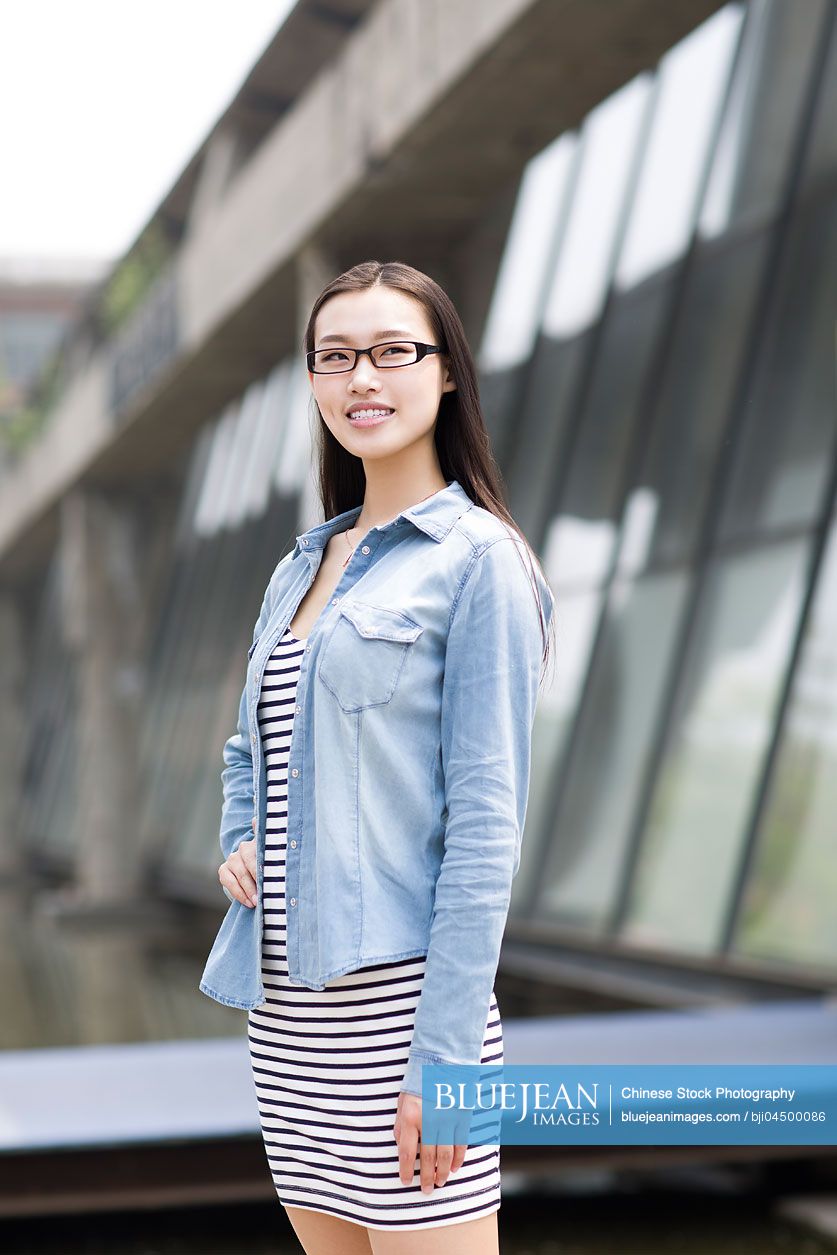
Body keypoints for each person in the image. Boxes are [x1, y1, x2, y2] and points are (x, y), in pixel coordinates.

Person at [199, 259, 555, 1254]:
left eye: (393, 351)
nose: (363, 379)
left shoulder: (481, 560)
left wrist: (442, 1063)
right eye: (336, 357)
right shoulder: (301, 564)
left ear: (445, 374)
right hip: (288, 1018)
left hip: (405, 1019)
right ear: (312, 383)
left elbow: (487, 833)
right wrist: (240, 845)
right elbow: (247, 752)